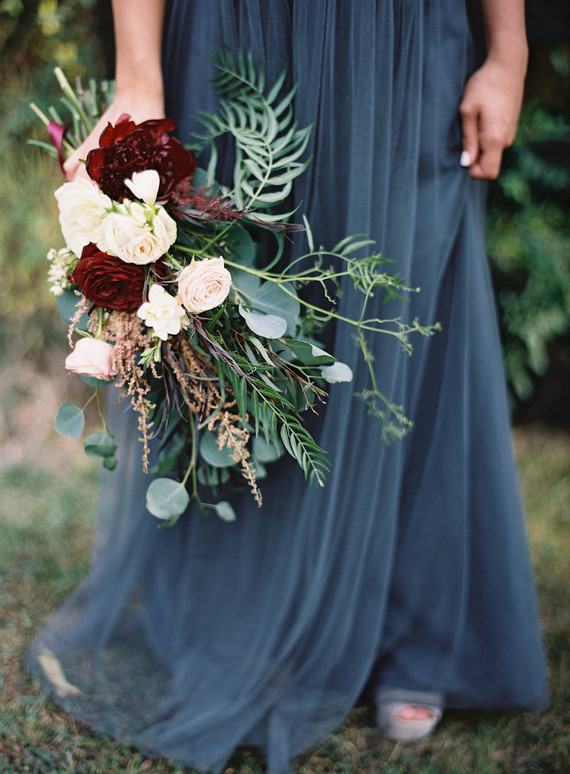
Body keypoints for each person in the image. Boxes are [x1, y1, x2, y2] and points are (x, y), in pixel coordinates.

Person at [28, 2, 548, 772]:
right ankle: (250, 619)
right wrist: (140, 69)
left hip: (399, 35)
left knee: (402, 296)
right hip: (238, 23)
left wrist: (510, 49)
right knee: (239, 292)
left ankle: (415, 627)